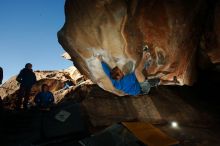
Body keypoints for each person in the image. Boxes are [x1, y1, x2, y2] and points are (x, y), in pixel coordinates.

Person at [98, 47, 179, 96]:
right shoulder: (126, 80)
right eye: (120, 72)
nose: (122, 72)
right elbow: (138, 72)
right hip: (142, 89)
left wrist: (101, 61)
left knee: (159, 81)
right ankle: (145, 56)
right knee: (137, 71)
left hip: (139, 85)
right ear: (118, 77)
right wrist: (145, 63)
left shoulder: (114, 79)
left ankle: (174, 82)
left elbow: (107, 71)